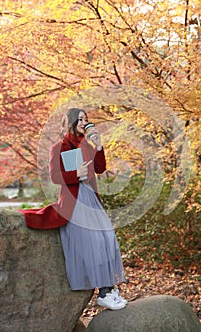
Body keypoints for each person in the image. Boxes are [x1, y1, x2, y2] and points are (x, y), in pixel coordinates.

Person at [21, 108, 127, 310]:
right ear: (71, 122)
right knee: (96, 240)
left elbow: (99, 168)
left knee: (107, 236)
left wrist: (99, 145)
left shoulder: (87, 145)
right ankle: (104, 292)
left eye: (86, 119)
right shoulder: (58, 147)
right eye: (80, 119)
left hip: (90, 198)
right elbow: (54, 177)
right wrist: (75, 174)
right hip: (73, 200)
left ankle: (109, 289)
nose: (84, 122)